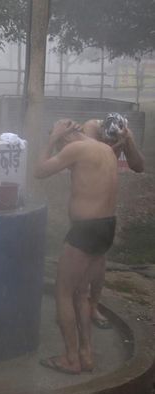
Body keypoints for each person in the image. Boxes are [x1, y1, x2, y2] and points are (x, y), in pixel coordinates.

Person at [35, 119, 118, 375]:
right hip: (106, 226)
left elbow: (39, 171)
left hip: (86, 230)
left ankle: (70, 358)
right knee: (81, 293)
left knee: (63, 292)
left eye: (60, 141)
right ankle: (86, 353)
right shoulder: (104, 149)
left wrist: (50, 140)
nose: (59, 146)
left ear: (67, 136)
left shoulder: (75, 148)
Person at [82, 113, 145, 330]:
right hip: (84, 196)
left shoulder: (124, 135)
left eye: (112, 140)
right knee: (80, 255)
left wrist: (128, 142)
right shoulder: (90, 128)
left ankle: (93, 305)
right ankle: (75, 304)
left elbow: (138, 166)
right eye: (106, 139)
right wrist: (114, 145)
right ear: (101, 131)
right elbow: (91, 159)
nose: (110, 143)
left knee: (99, 258)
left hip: (106, 199)